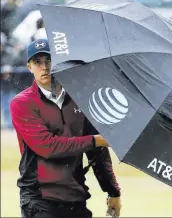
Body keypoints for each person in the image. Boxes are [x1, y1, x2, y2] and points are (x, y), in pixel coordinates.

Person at [10, 39, 122, 218]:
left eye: (49, 60)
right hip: (39, 199)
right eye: (37, 62)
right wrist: (96, 140)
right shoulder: (22, 103)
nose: (44, 67)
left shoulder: (81, 99)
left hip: (76, 197)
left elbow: (98, 153)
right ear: (29, 67)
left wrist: (113, 192)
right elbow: (47, 146)